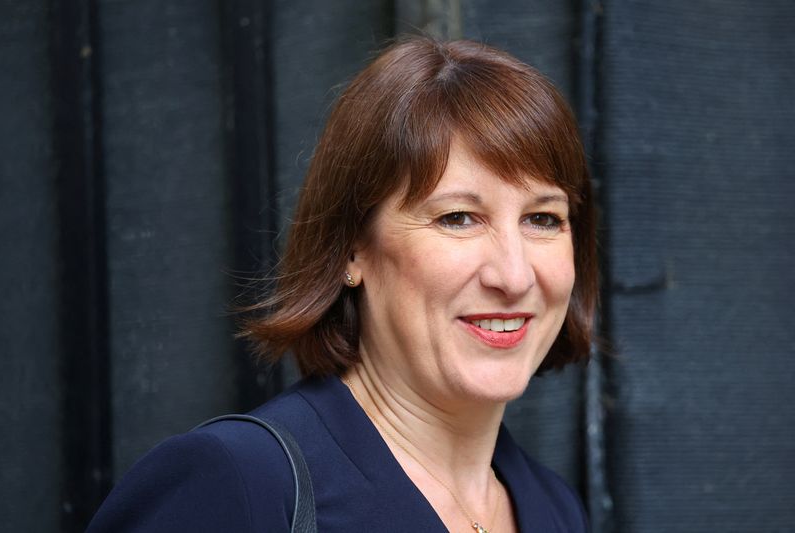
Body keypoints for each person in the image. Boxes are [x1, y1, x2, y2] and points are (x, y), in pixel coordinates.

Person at [88, 36, 597, 532]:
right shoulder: (238, 486)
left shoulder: (553, 509)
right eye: (459, 218)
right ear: (353, 247)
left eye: (543, 219)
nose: (512, 275)